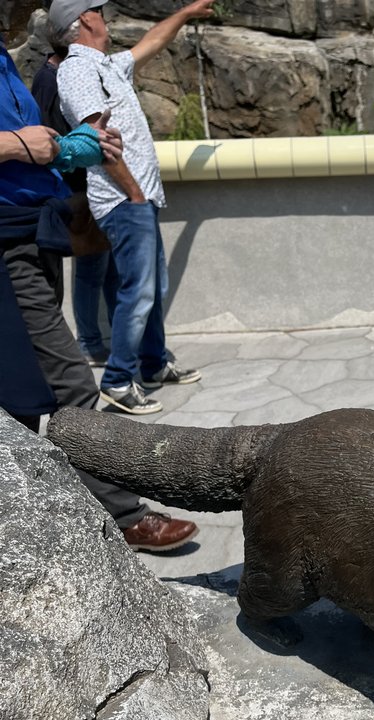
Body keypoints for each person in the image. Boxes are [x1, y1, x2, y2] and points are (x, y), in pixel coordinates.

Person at [0, 36, 198, 551]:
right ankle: (125, 512)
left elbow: (42, 144)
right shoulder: (70, 68)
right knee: (68, 381)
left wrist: (67, 149)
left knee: (26, 392)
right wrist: (23, 145)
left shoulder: (5, 58)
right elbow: (24, 144)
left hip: (32, 230)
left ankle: (38, 515)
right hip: (9, 244)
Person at [52, 0, 214, 415]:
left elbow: (151, 43)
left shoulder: (106, 65)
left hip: (139, 196)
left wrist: (186, 13)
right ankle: (119, 380)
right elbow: (96, 139)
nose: (105, 17)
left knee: (152, 289)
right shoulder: (78, 70)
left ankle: (154, 363)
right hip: (124, 199)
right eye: (100, 11)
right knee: (139, 291)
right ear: (85, 19)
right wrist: (134, 192)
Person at [31, 36, 118, 367]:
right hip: (74, 189)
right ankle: (89, 344)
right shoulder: (49, 78)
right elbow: (49, 138)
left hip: (93, 186)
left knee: (109, 270)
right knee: (91, 266)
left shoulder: (66, 73)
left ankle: (110, 340)